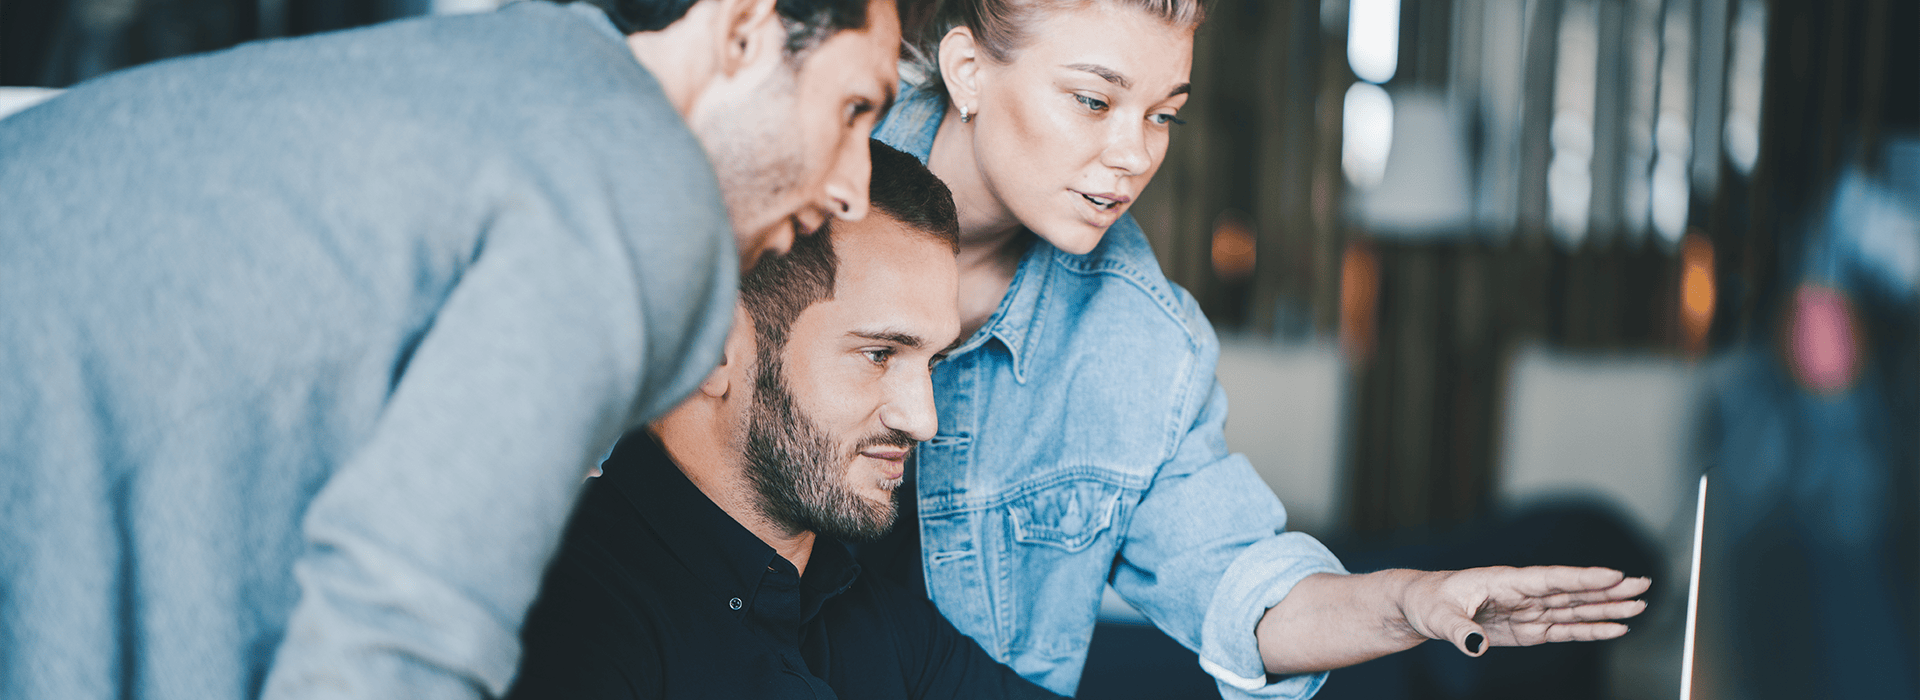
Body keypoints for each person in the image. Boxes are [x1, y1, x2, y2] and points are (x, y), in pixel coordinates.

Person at [0, 0, 900, 698]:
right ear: (742, 32)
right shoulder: (640, 179)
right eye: (854, 107)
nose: (857, 186)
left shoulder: (534, 81)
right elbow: (404, 627)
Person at [856, 1, 1652, 698]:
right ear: (967, 71)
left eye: (1163, 114)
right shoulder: (798, 190)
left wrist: (1409, 598)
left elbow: (1238, 584)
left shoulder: (1141, 343)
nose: (1134, 155)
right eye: (1094, 100)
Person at [507, 140, 1060, 700]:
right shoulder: (558, 619)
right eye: (880, 354)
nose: (924, 419)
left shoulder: (876, 622)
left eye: (933, 361)